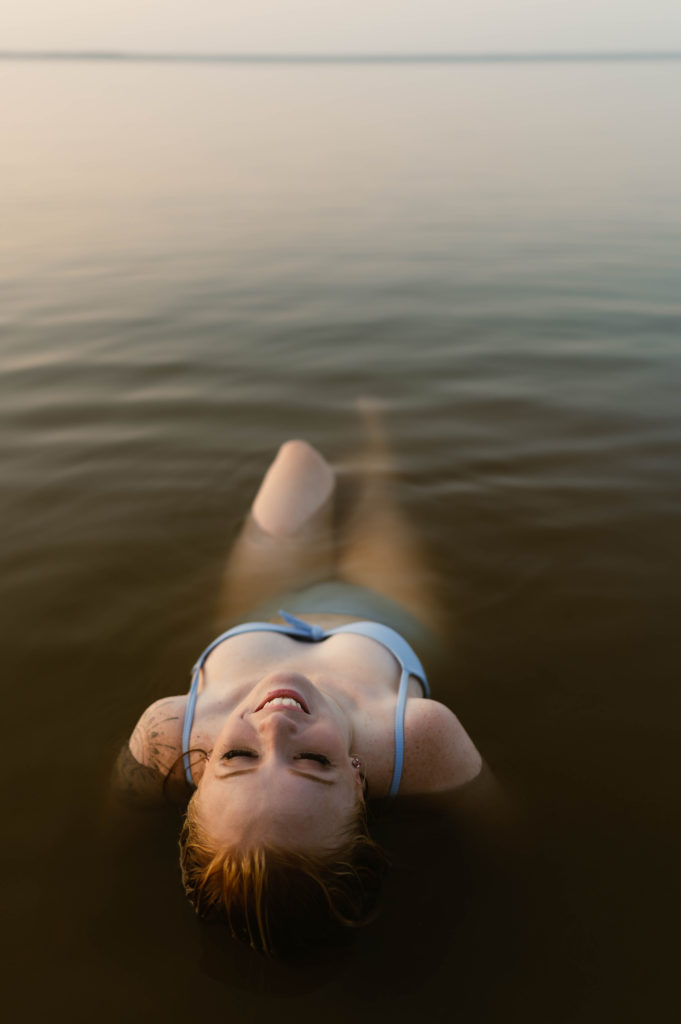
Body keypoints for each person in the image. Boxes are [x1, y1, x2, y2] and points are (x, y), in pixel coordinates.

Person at [113, 401, 483, 954]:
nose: (275, 727)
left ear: (200, 767)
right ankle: (375, 430)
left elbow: (115, 817)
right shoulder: (421, 740)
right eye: (314, 761)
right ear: (359, 781)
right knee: (379, 499)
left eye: (237, 758)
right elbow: (498, 831)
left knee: (298, 460)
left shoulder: (167, 733)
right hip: (382, 611)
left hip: (264, 605)